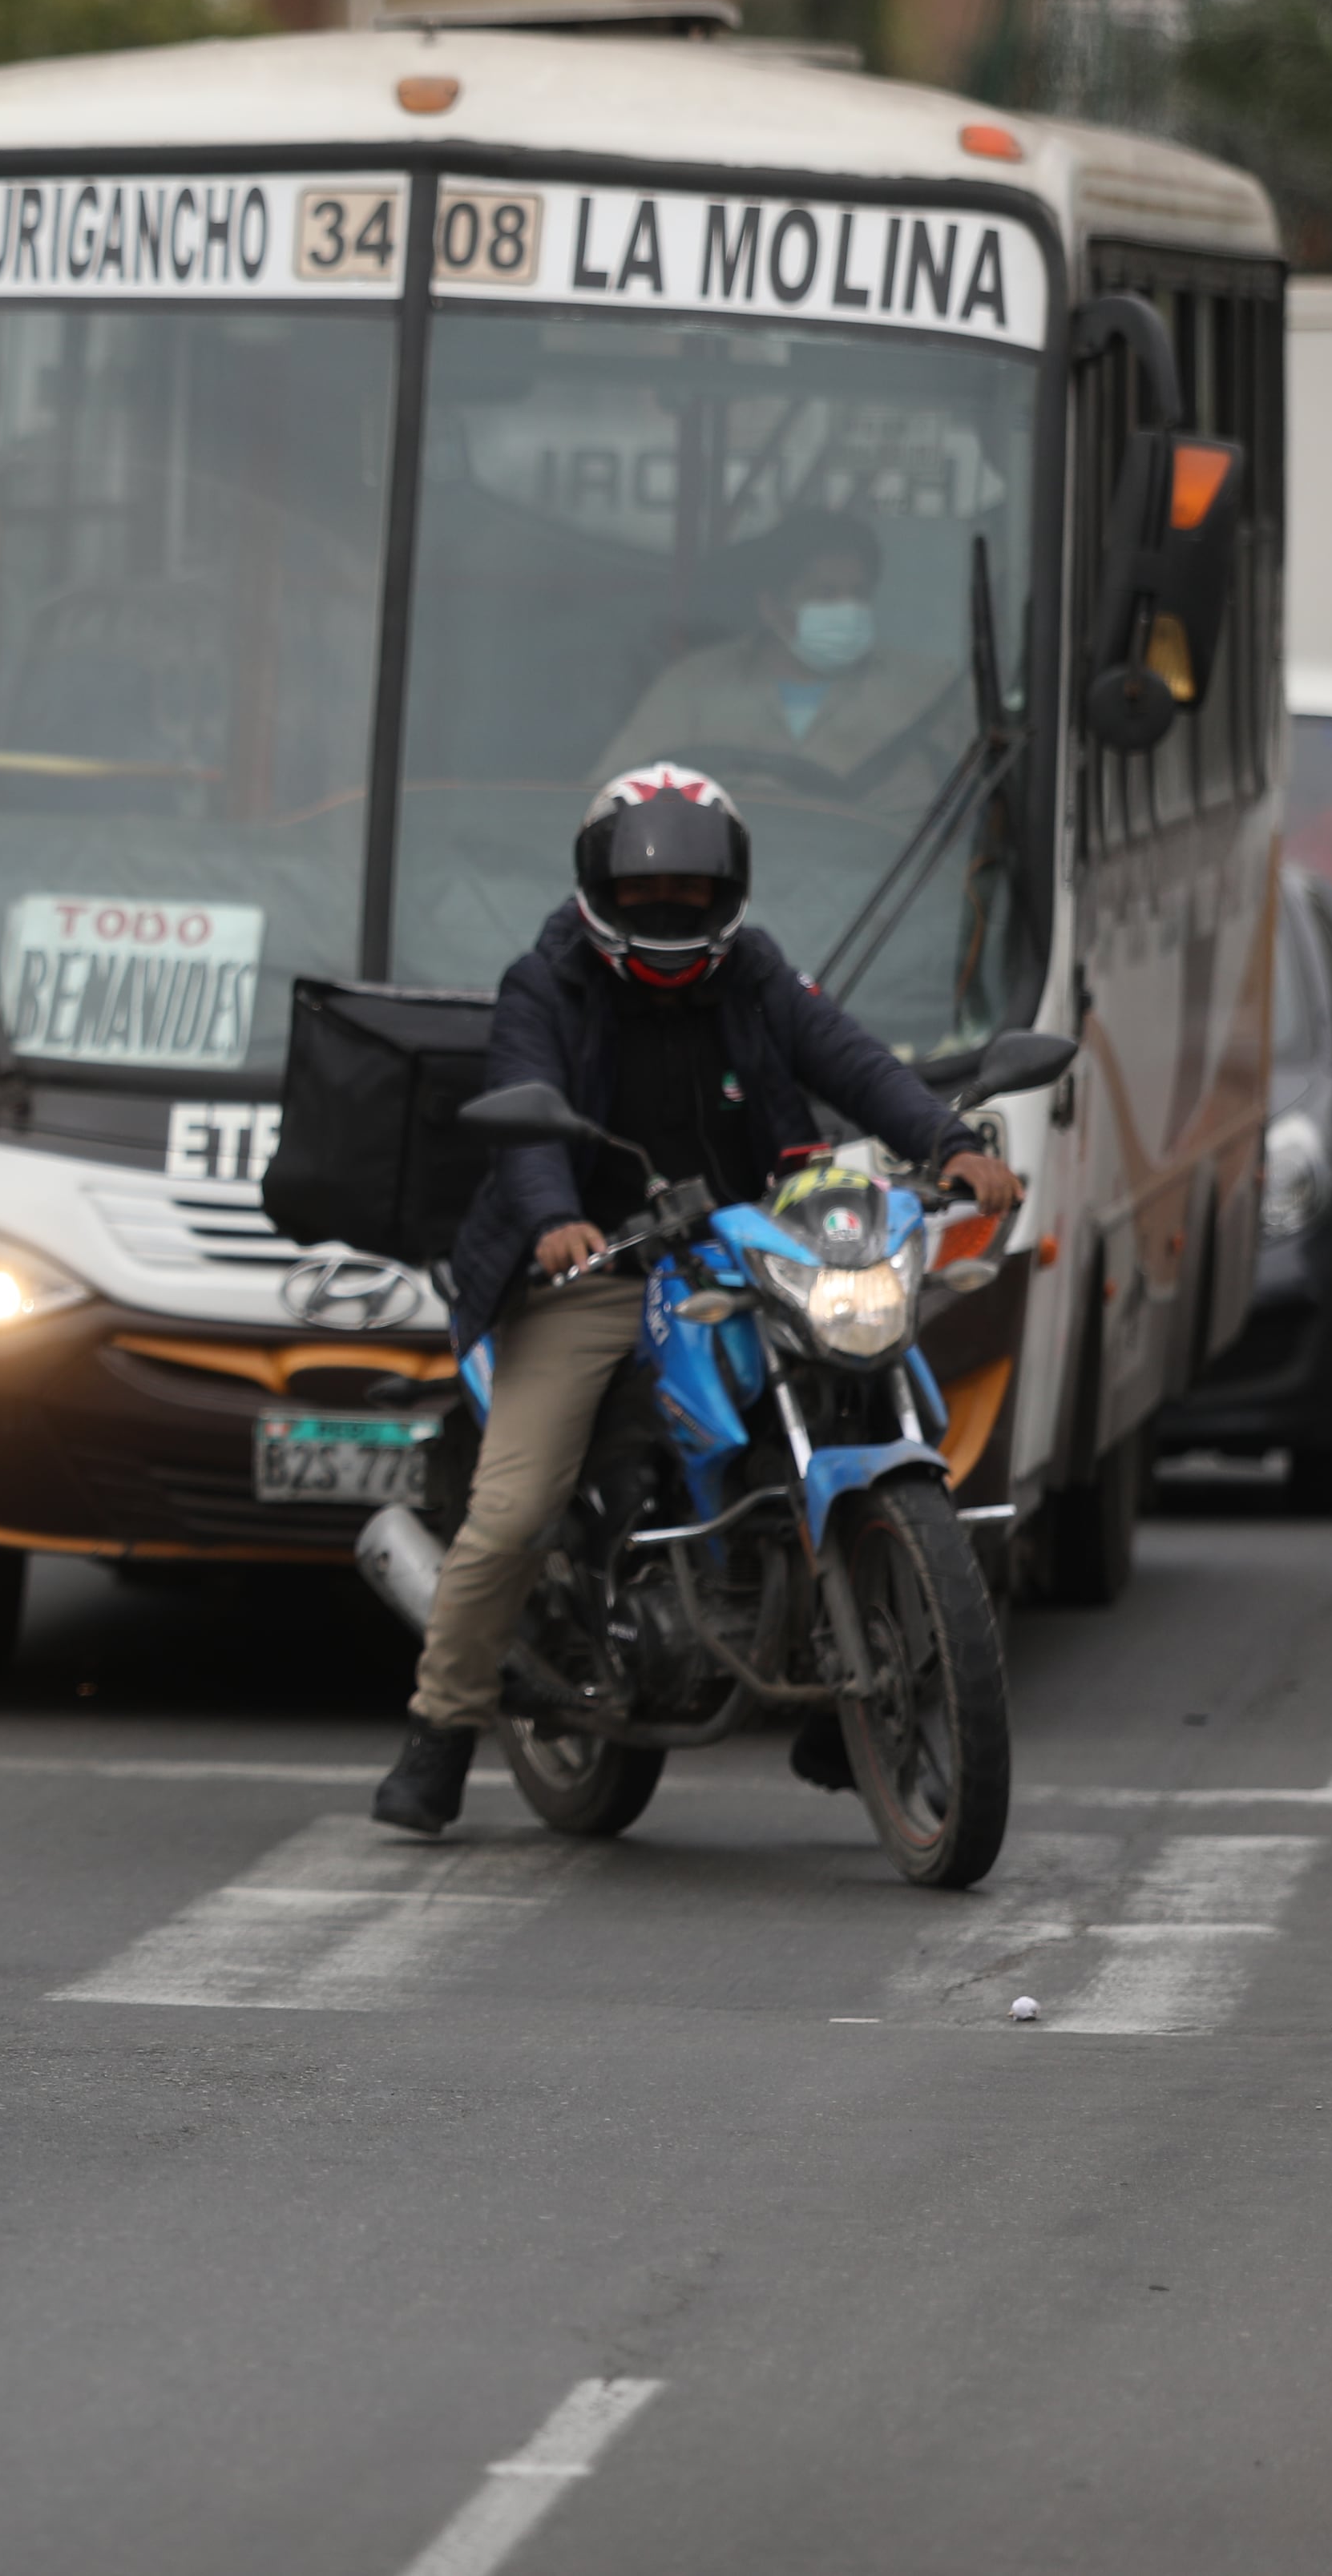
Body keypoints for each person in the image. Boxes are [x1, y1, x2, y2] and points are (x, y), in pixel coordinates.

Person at [373, 763, 1025, 1837]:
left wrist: (950, 1145)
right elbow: (529, 1122)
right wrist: (554, 1221)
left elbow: (852, 1061)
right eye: (645, 896)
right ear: (599, 890)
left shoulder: (755, 972)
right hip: (594, 1265)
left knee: (866, 1377)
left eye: (690, 895)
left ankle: (850, 1687)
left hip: (742, 1247)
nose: (668, 912)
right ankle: (441, 1724)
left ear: (730, 895)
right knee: (519, 1505)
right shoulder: (546, 983)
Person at [592, 511, 963, 797]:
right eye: (825, 595)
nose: (847, 609)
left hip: (891, 891)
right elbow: (612, 797)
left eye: (859, 594)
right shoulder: (693, 686)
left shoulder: (930, 692)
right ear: (770, 606)